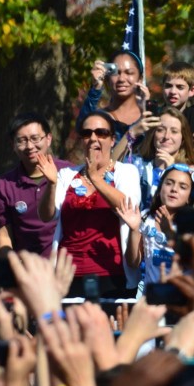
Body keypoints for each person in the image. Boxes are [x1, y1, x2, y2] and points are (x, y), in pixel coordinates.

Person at [36, 111, 142, 296]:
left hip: (112, 273)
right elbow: (46, 216)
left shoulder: (126, 172)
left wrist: (95, 177)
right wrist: (52, 184)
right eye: (87, 133)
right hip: (67, 275)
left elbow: (126, 207)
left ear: (113, 140)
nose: (93, 138)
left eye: (101, 133)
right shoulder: (67, 175)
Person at [0, 114, 73, 256]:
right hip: (28, 268)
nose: (30, 146)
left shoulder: (69, 173)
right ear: (13, 145)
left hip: (67, 266)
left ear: (48, 139)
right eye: (21, 141)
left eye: (35, 138)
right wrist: (13, 262)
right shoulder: (5, 184)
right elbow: (4, 234)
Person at [118, 164, 194, 286]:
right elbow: (133, 263)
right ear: (160, 187)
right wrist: (134, 230)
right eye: (169, 183)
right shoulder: (145, 217)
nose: (174, 189)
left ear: (189, 197)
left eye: (182, 187)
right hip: (150, 297)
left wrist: (168, 232)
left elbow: (192, 263)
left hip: (181, 297)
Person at [130, 108, 194, 208]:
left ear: (183, 139)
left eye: (174, 131)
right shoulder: (137, 164)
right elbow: (109, 166)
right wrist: (131, 134)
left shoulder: (191, 173)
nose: (166, 136)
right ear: (153, 134)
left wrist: (173, 170)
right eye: (160, 130)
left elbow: (190, 211)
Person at [78, 50, 146, 144]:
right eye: (116, 73)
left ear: (140, 78)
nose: (121, 79)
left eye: (129, 73)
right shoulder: (100, 117)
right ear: (107, 78)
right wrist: (96, 88)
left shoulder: (151, 115)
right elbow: (82, 130)